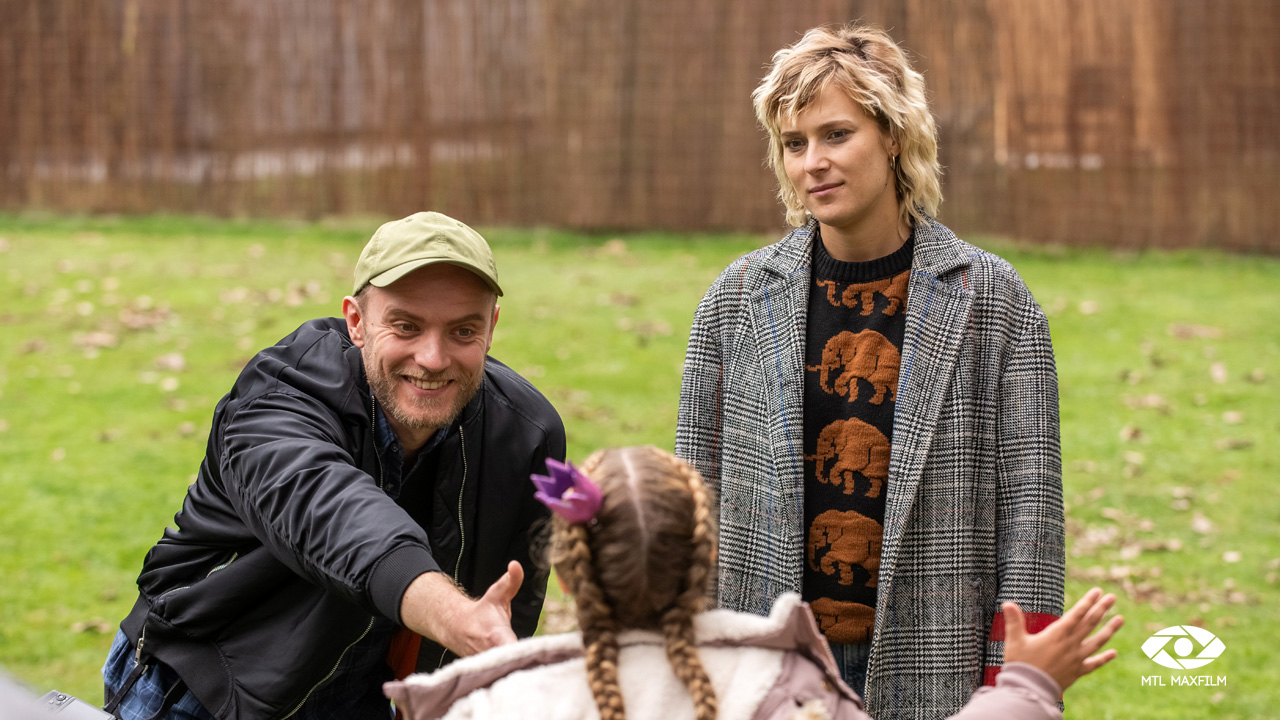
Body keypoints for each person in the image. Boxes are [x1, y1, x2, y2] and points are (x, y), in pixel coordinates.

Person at [675, 23, 1066, 718]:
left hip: (938, 660)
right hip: (765, 661)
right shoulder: (735, 300)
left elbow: (1031, 512)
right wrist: (691, 651)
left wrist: (1015, 679)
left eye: (836, 134)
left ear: (892, 136)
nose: (813, 162)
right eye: (794, 143)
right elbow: (693, 498)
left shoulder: (994, 301)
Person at [102, 212, 566, 719]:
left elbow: (506, 611)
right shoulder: (277, 395)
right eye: (406, 326)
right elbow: (340, 520)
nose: (433, 358)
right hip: (199, 689)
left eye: (463, 330)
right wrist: (456, 619)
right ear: (356, 322)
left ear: (492, 328)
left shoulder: (525, 434)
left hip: (360, 698)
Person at [383, 447, 1121, 720]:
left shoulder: (495, 702)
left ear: (570, 576)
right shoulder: (783, 688)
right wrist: (1025, 687)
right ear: (708, 560)